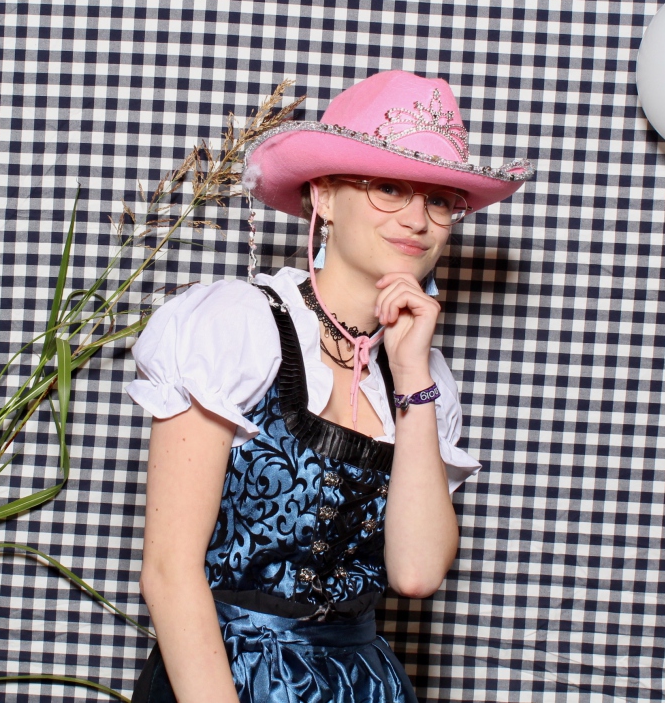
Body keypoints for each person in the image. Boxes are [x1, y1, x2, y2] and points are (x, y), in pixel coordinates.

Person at [126, 70, 533, 703]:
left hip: (363, 684)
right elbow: (169, 573)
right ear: (325, 195)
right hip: (225, 678)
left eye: (439, 200)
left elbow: (417, 572)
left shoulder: (424, 379)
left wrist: (413, 376)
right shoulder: (238, 324)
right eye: (389, 188)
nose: (417, 220)